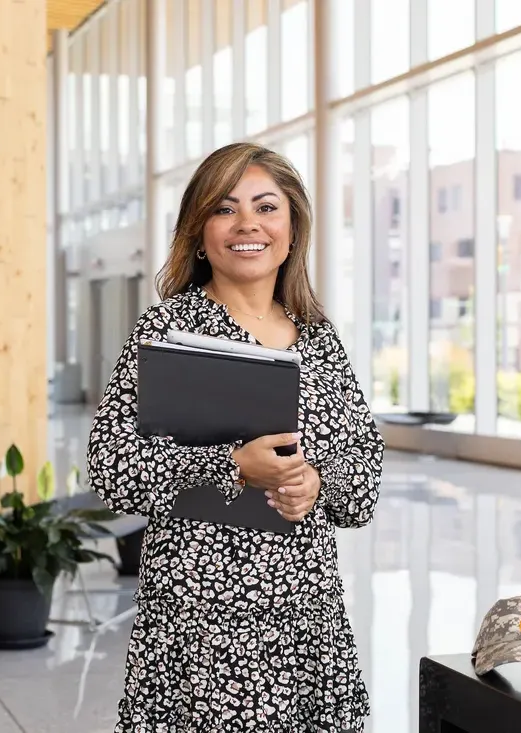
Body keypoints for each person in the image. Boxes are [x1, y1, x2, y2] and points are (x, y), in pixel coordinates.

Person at [85, 141, 384, 733]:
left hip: (307, 620)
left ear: (293, 229)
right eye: (225, 209)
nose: (248, 223)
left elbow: (366, 475)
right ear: (199, 233)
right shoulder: (168, 328)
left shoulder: (318, 338)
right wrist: (232, 466)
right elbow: (111, 467)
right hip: (201, 625)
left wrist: (318, 483)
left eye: (267, 207)